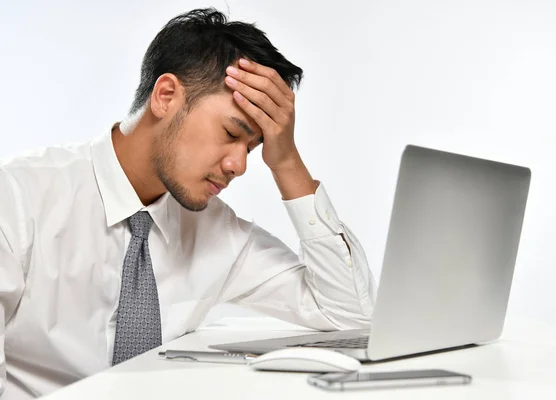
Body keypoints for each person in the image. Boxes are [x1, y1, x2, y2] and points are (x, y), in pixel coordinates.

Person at [0, 8, 376, 399]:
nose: (240, 165)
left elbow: (351, 315)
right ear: (166, 96)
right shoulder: (16, 199)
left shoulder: (217, 233)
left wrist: (286, 161)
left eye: (254, 147)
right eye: (232, 132)